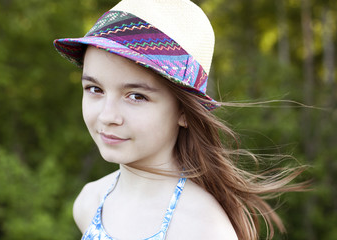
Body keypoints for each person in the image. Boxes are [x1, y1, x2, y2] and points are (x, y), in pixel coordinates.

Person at [53, 0, 306, 239]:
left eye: (136, 96)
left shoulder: (203, 229)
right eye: (95, 89)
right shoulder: (91, 203)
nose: (107, 116)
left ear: (184, 112)